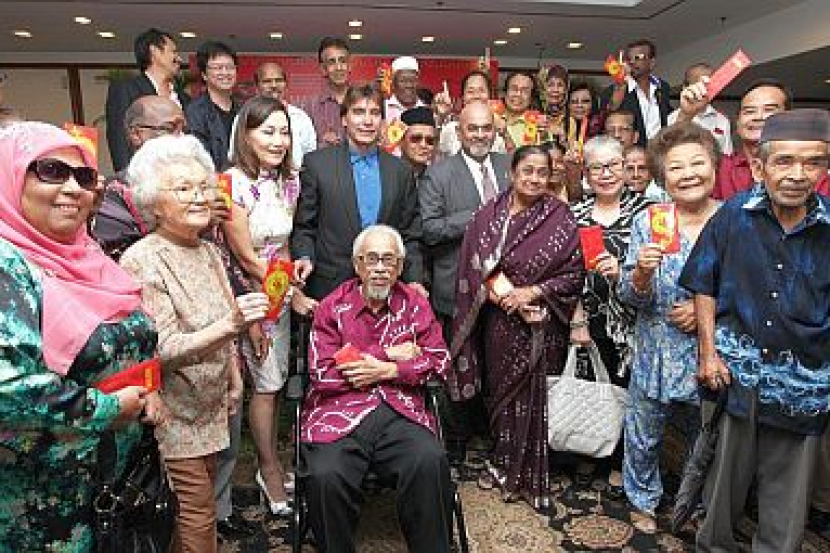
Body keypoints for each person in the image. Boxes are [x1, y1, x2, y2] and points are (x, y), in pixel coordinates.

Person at [0, 121, 161, 550]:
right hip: (40, 504)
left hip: (111, 487)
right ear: (10, 175)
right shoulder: (7, 265)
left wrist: (148, 387)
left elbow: (130, 340)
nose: (73, 188)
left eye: (85, 177)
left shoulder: (88, 254)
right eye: (51, 171)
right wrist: (107, 409)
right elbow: (7, 386)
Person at [679, 109, 830, 552]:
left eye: (812, 162)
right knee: (722, 487)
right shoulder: (733, 215)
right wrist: (708, 353)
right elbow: (703, 284)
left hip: (804, 385)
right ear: (760, 167)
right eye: (784, 161)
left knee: (788, 498)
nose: (798, 174)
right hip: (736, 378)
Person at [120, 134, 269, 552]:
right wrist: (232, 324)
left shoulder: (208, 251)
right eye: (183, 189)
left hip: (211, 405)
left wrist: (234, 376)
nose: (200, 196)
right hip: (173, 413)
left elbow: (226, 319)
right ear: (153, 202)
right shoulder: (142, 259)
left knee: (193, 512)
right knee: (196, 514)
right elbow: (162, 348)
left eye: (203, 186)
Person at [299, 224, 452, 553]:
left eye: (388, 260)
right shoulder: (332, 307)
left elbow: (439, 360)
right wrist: (387, 356)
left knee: (430, 460)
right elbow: (323, 374)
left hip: (400, 410)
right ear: (357, 265)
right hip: (338, 413)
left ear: (400, 266)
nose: (380, 268)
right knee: (324, 475)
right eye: (371, 259)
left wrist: (390, 371)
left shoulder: (416, 305)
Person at [451, 145, 584, 508]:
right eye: (528, 171)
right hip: (500, 323)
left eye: (542, 172)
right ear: (512, 172)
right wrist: (502, 298)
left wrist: (533, 292)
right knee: (501, 396)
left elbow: (574, 274)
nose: (534, 179)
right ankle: (502, 462)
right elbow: (474, 266)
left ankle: (529, 472)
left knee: (535, 398)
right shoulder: (488, 214)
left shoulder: (560, 216)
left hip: (542, 323)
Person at [618, 122, 721, 533]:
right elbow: (631, 296)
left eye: (698, 163)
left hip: (711, 349)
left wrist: (705, 311)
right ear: (663, 176)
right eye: (677, 167)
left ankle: (694, 508)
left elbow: (755, 287)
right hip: (656, 346)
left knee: (705, 436)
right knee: (643, 431)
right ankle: (642, 499)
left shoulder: (733, 220)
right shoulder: (650, 221)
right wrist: (641, 274)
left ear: (714, 167)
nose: (689, 174)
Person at [224, 96, 316, 516]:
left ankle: (273, 458)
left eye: (284, 132)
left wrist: (295, 272)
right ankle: (267, 469)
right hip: (250, 295)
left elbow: (285, 244)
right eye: (268, 131)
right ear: (246, 134)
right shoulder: (230, 185)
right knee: (264, 387)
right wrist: (281, 301)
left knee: (276, 385)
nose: (278, 141)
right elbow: (245, 259)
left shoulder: (289, 181)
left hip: (278, 290)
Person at [419, 100, 510, 471]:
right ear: (458, 132)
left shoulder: (509, 166)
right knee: (457, 364)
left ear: (495, 130)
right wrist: (476, 216)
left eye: (486, 128)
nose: (480, 135)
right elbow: (429, 229)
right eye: (472, 128)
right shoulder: (438, 174)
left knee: (497, 364)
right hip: (456, 286)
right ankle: (456, 439)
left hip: (506, 287)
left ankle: (495, 434)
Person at [569, 135, 654, 492]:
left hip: (634, 321)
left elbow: (662, 267)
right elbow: (567, 273)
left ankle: (620, 459)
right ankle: (590, 451)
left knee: (628, 390)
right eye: (596, 168)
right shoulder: (575, 214)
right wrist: (576, 319)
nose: (605, 174)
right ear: (586, 173)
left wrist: (623, 272)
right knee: (591, 384)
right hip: (588, 318)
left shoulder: (648, 211)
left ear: (625, 168)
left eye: (613, 166)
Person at [291, 84, 423, 300]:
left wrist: (415, 279)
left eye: (375, 113)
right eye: (359, 112)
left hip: (386, 288)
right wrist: (305, 257)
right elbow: (305, 226)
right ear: (344, 119)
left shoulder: (400, 171)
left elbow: (410, 233)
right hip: (330, 288)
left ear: (382, 121)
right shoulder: (317, 164)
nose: (367, 121)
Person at [677, 78, 829, 200]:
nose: (758, 117)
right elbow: (675, 158)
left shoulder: (811, 172)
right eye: (749, 111)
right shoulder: (720, 168)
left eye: (769, 110)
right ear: (737, 123)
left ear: (788, 120)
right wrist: (686, 115)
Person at [91, 95, 186, 259]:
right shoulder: (114, 193)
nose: (181, 138)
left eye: (184, 130)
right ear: (136, 134)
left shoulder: (194, 186)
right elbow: (123, 257)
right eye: (169, 129)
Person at [105, 28, 189, 171]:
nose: (179, 58)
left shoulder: (184, 98)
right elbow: (118, 138)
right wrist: (127, 178)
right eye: (173, 52)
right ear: (154, 51)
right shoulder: (126, 89)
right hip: (144, 175)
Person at [601, 39, 672, 146]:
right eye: (629, 59)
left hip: (659, 150)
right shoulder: (613, 90)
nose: (632, 62)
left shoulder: (663, 87)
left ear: (652, 63)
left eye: (638, 58)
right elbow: (609, 113)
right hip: (630, 152)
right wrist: (621, 83)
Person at [185, 41, 240, 169]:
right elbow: (198, 156)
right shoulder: (195, 112)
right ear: (204, 75)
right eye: (218, 68)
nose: (225, 73)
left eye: (230, 67)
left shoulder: (243, 110)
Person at [251, 61, 316, 167]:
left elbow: (311, 158)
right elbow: (235, 156)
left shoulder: (301, 118)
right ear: (257, 87)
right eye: (267, 81)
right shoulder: (245, 117)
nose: (274, 85)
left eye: (279, 80)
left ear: (286, 84)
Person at [436, 69, 507, 156]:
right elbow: (436, 158)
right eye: (470, 91)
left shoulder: (498, 131)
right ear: (463, 98)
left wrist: (505, 134)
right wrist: (441, 118)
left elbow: (511, 161)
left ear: (489, 96)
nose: (476, 96)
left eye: (481, 90)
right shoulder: (450, 129)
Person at [667, 63, 733, 155]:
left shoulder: (722, 121)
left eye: (709, 86)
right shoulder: (671, 119)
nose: (704, 90)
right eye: (699, 85)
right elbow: (664, 152)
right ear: (685, 87)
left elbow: (727, 155)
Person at [307, 37, 352, 148]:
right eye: (332, 62)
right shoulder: (310, 107)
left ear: (349, 66)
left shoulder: (364, 100)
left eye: (343, 61)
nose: (339, 67)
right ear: (323, 69)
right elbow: (304, 147)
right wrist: (321, 144)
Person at [501, 71, 541, 150]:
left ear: (531, 98)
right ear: (505, 93)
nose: (518, 94)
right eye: (514, 89)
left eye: (525, 91)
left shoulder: (539, 124)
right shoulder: (491, 117)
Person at [540, 64, 577, 146]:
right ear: (543, 89)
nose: (555, 90)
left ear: (566, 90)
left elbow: (572, 152)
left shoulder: (570, 122)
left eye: (560, 85)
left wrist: (562, 136)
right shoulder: (532, 115)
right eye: (550, 85)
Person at [398, 105, 437, 180]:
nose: (423, 145)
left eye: (430, 141)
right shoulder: (385, 176)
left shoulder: (439, 180)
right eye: (416, 139)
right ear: (401, 141)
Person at [385, 56, 424, 123]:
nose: (409, 85)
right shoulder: (384, 108)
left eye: (413, 80)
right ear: (393, 83)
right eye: (403, 81)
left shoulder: (425, 110)